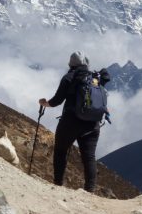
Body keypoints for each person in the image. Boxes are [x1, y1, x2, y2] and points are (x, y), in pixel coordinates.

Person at [39, 51, 110, 193]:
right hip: (92, 124)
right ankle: (90, 190)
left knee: (61, 151)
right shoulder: (95, 78)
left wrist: (44, 103)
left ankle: (58, 184)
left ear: (70, 64)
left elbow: (57, 101)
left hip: (70, 123)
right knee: (89, 157)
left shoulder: (69, 77)